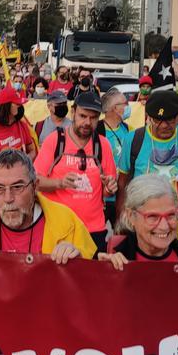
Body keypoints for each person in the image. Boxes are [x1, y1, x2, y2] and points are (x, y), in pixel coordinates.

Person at [0, 148, 95, 263]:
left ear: (34, 186)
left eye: (17, 187)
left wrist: (78, 259)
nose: (8, 198)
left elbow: (94, 276)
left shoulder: (66, 221)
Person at [34, 92, 118, 250]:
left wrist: (109, 188)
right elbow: (36, 182)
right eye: (82, 116)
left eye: (93, 118)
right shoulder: (55, 140)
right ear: (73, 113)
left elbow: (107, 190)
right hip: (59, 229)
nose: (87, 122)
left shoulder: (103, 145)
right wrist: (60, 183)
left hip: (93, 230)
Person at [97, 175, 178, 267]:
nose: (164, 226)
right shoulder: (110, 252)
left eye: (171, 215)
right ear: (131, 216)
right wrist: (102, 272)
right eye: (153, 217)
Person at [117, 91, 178, 200]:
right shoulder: (133, 139)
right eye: (157, 120)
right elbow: (122, 182)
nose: (164, 125)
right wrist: (120, 215)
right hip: (143, 213)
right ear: (149, 117)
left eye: (170, 119)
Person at [0, 86, 37, 162]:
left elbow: (33, 151)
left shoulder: (22, 125)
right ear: (6, 106)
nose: (19, 106)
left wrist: (25, 159)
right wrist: (3, 156)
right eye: (16, 103)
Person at [100, 88, 133, 168]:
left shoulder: (129, 129)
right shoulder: (96, 130)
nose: (128, 106)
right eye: (126, 103)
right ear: (115, 108)